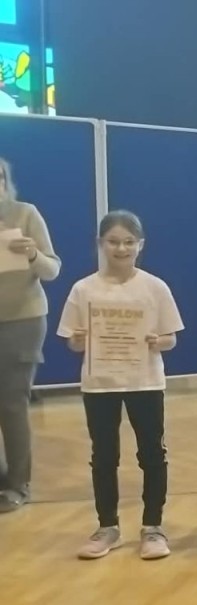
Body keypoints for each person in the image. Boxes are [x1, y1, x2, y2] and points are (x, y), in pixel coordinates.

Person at [60, 211, 183, 560]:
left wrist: (158, 341)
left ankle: (153, 527)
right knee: (103, 456)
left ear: (140, 245)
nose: (121, 248)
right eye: (113, 241)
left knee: (152, 454)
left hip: (145, 382)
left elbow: (171, 338)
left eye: (129, 242)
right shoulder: (83, 289)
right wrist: (78, 340)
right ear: (101, 244)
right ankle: (107, 527)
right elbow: (72, 341)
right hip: (100, 384)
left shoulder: (155, 287)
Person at [0, 157, 61, 514]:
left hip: (22, 320)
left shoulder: (25, 214)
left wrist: (33, 254)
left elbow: (52, 269)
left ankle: (17, 485)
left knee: (12, 402)